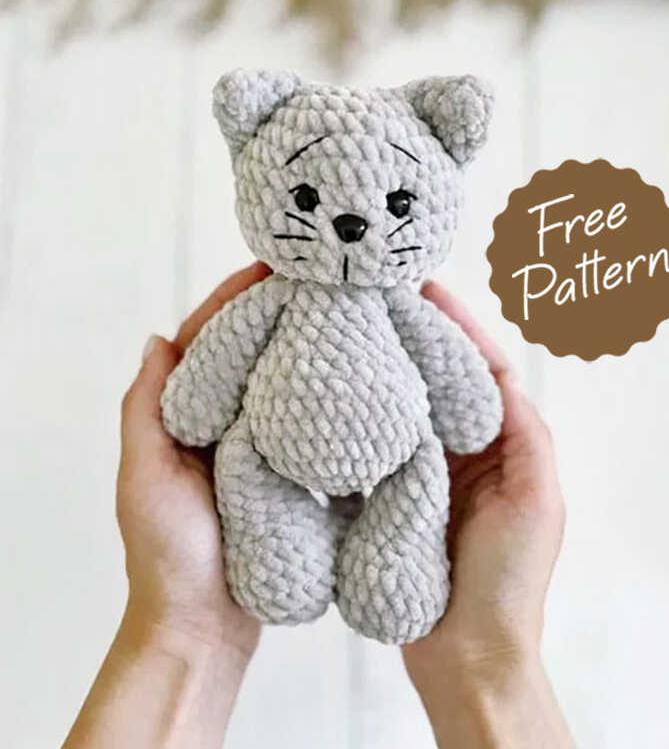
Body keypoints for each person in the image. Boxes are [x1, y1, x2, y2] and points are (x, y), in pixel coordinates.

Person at [62, 262, 575, 749]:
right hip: (264, 454)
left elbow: (455, 381)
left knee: (413, 508)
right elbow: (215, 370)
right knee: (254, 499)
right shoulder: (271, 301)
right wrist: (486, 658)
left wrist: (184, 633)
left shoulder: (400, 306)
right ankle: (282, 567)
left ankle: (394, 579)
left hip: (402, 461)